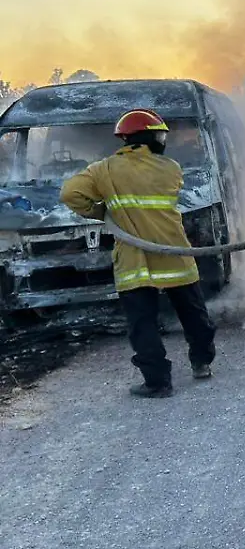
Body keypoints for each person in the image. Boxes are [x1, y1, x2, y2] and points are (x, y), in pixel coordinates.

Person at [60, 108, 217, 398]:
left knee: (143, 324)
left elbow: (70, 194)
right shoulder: (171, 168)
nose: (163, 140)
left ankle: (158, 383)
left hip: (134, 260)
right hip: (173, 253)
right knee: (194, 314)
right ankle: (201, 363)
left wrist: (102, 211)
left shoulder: (103, 169)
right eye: (160, 135)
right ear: (149, 137)